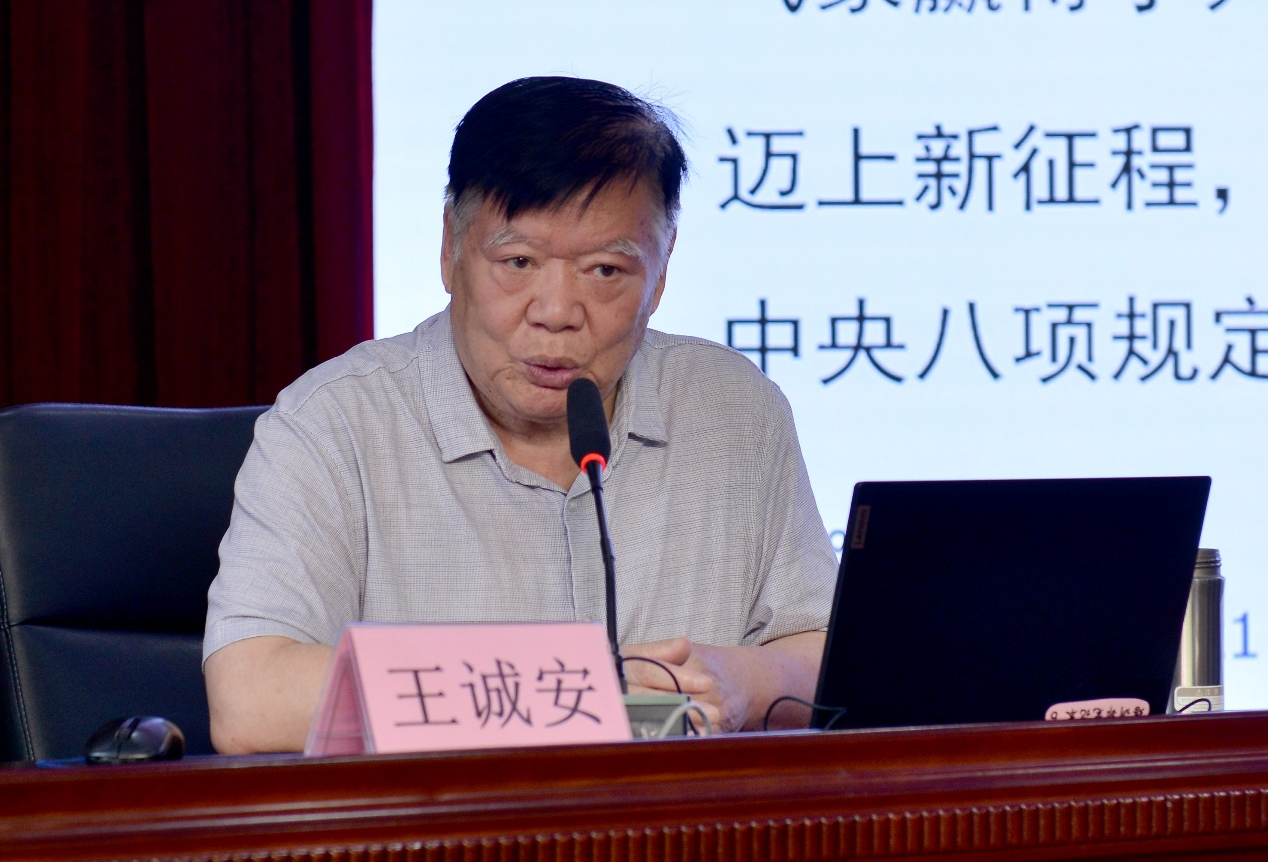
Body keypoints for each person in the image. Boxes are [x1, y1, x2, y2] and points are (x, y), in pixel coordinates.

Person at [203, 76, 838, 753]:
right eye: (518, 261)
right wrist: (574, 691)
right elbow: (250, 699)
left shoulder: (736, 410)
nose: (557, 311)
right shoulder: (332, 425)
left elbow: (829, 649)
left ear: (663, 264)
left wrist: (742, 682)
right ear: (450, 247)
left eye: (605, 271)